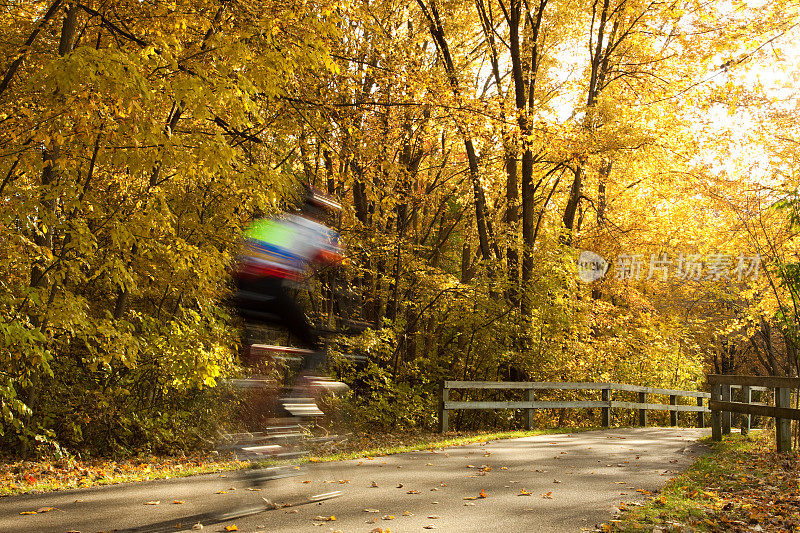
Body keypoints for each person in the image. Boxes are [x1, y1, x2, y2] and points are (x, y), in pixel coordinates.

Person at [232, 186, 347, 396]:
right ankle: (298, 400)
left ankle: (256, 389)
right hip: (270, 294)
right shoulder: (313, 228)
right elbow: (331, 257)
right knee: (314, 347)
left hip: (243, 297)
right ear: (321, 213)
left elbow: (246, 251)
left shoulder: (276, 223)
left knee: (259, 347)